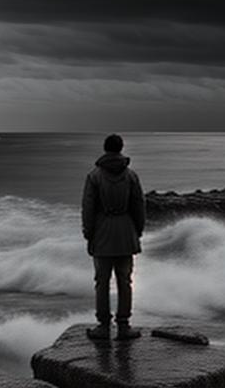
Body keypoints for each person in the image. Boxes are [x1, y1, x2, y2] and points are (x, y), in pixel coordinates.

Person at [82, 133, 146, 340]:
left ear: (105, 148)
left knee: (102, 281)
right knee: (125, 281)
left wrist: (88, 233)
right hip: (126, 232)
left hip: (102, 233)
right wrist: (138, 230)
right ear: (120, 148)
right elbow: (139, 206)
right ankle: (124, 325)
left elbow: (88, 209)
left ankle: (103, 325)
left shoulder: (94, 176)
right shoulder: (131, 175)